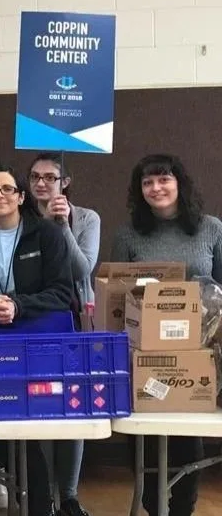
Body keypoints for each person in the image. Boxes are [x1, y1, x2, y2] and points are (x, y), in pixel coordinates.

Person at [0, 164, 75, 516]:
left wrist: (18, 305)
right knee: (0, 420)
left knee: (28, 431)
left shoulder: (47, 235)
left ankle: (41, 506)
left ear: (22, 197)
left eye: (7, 189)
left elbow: (61, 292)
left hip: (38, 340)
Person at [111, 153, 222, 516]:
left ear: (179, 183)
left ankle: (183, 507)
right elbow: (115, 291)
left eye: (163, 179)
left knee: (186, 430)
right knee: (143, 432)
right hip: (143, 349)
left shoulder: (210, 228)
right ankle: (151, 503)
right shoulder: (128, 234)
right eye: (147, 182)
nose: (156, 188)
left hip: (198, 348)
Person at [28, 153, 101, 516]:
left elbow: (82, 269)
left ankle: (69, 496)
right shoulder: (21, 215)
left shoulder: (86, 218)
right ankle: (45, 497)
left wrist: (62, 224)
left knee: (74, 408)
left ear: (65, 182)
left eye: (50, 177)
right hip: (38, 323)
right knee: (41, 406)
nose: (42, 184)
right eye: (35, 177)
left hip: (76, 322)